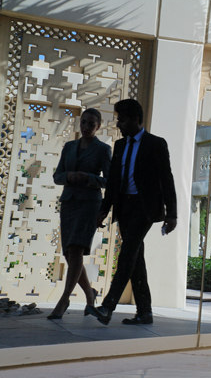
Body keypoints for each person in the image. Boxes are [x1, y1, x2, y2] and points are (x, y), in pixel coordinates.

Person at [89, 99, 177, 325]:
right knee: (135, 259)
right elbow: (114, 182)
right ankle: (145, 312)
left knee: (126, 254)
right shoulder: (119, 146)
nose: (119, 123)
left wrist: (172, 213)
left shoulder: (156, 144)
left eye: (123, 119)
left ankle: (108, 307)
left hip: (144, 208)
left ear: (136, 119)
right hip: (124, 207)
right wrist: (104, 210)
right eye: (119, 119)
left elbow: (167, 179)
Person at [47, 109, 111, 319]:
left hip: (89, 204)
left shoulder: (103, 150)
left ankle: (64, 299)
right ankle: (90, 295)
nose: (86, 127)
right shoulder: (69, 147)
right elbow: (57, 176)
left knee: (76, 250)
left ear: (98, 126)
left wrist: (89, 178)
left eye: (91, 124)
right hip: (69, 203)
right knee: (69, 253)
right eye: (83, 122)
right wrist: (70, 176)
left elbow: (109, 181)